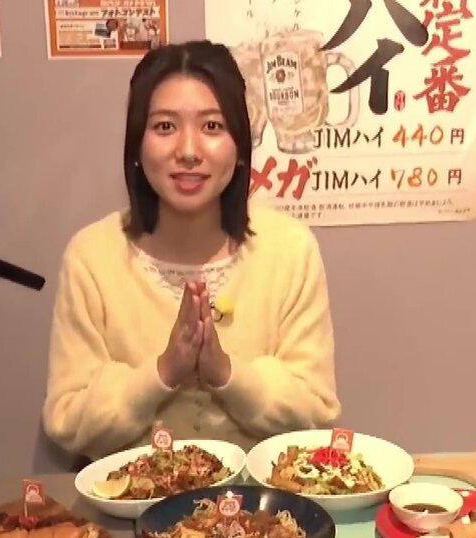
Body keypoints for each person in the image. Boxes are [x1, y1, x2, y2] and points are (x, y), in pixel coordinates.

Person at [42, 39, 341, 464]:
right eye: (165, 126)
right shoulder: (92, 256)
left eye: (212, 126)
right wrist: (164, 372)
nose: (187, 151)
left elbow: (316, 409)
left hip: (261, 501)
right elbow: (67, 420)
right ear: (137, 146)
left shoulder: (290, 250)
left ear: (240, 146)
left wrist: (226, 372)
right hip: (131, 500)